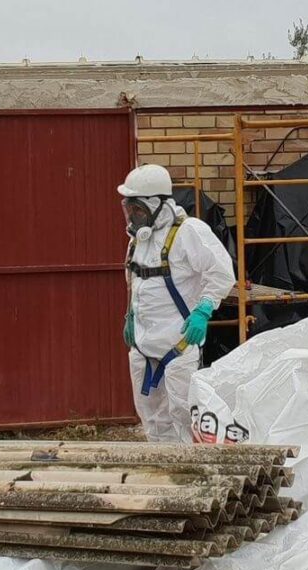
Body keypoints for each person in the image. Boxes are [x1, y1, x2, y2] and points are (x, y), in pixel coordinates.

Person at [119, 164, 235, 442]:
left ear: (156, 205)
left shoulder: (188, 232)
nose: (133, 216)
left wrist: (204, 310)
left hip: (178, 344)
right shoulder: (138, 241)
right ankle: (162, 475)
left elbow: (221, 272)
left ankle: (186, 473)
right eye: (130, 209)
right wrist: (130, 317)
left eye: (138, 209)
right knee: (151, 417)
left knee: (183, 414)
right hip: (143, 346)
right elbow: (136, 283)